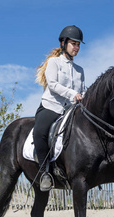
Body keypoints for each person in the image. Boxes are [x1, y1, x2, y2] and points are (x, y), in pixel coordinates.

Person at [33, 25, 85, 192]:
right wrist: (73, 94)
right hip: (51, 106)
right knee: (40, 132)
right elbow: (53, 84)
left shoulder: (80, 70)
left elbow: (83, 90)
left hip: (70, 110)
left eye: (78, 44)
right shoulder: (53, 62)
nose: (76, 47)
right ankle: (44, 173)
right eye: (73, 43)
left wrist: (83, 97)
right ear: (63, 43)